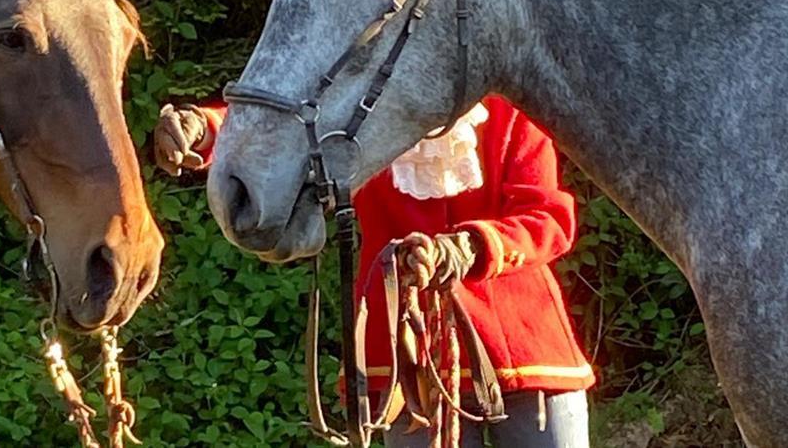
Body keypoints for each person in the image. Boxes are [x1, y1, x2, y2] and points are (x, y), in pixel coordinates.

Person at [155, 96, 594, 447]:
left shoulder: (505, 107)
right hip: (406, 367)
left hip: (525, 350)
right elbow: (285, 115)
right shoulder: (360, 109)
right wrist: (204, 127)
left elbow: (548, 218)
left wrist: (469, 248)